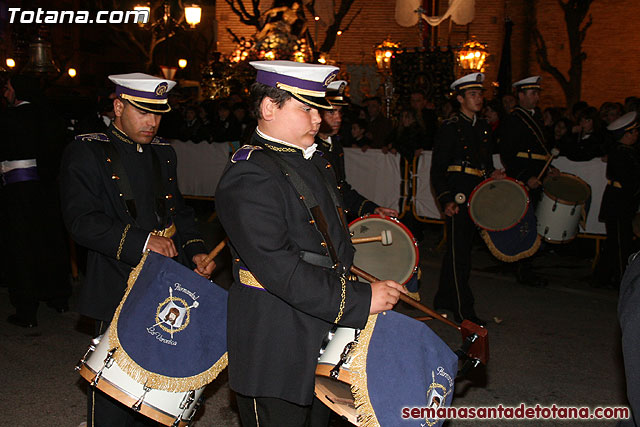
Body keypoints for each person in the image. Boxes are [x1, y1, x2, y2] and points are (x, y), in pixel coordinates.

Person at [215, 60, 405, 427]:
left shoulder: (314, 159)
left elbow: (332, 244)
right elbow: (280, 268)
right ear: (269, 108)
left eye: (318, 107)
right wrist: (362, 300)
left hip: (321, 326)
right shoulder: (249, 173)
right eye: (306, 108)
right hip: (275, 340)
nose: (318, 118)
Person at [60, 72, 215, 426]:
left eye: (158, 114)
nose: (153, 122)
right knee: (115, 389)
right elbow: (81, 222)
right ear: (118, 106)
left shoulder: (164, 152)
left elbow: (178, 212)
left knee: (159, 385)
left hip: (166, 284)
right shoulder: (87, 150)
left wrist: (196, 250)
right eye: (144, 113)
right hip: (117, 279)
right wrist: (143, 241)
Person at [430, 72, 504, 326]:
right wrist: (446, 199)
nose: (478, 98)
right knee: (459, 254)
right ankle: (464, 310)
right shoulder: (450, 128)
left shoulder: (483, 128)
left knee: (460, 251)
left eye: (480, 94)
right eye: (472, 94)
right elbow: (438, 169)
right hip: (458, 193)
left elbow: (486, 163)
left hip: (477, 193)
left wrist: (493, 174)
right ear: (460, 98)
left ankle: (443, 299)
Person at [1, 74, 71, 328]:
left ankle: (26, 310)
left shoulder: (10, 118)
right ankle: (58, 297)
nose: (5, 93)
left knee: (21, 248)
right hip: (46, 191)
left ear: (18, 90)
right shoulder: (49, 117)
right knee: (50, 242)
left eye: (8, 88)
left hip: (19, 192)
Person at [499, 76, 557, 287]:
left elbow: (542, 150)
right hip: (525, 175)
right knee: (523, 223)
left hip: (537, 174)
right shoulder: (514, 119)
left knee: (534, 222)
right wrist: (525, 177)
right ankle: (522, 266)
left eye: (537, 93)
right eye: (532, 93)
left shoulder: (537, 118)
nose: (536, 97)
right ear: (521, 95)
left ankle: (528, 264)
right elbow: (509, 154)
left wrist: (548, 169)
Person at [316, 80, 398, 221]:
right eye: (331, 112)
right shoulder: (308, 147)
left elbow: (340, 188)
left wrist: (372, 209)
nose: (338, 119)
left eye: (340, 112)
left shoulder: (335, 145)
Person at [594, 112, 640, 289]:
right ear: (625, 134)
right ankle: (622, 279)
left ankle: (602, 275)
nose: (636, 134)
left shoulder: (625, 151)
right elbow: (631, 180)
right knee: (622, 242)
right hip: (619, 201)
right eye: (634, 132)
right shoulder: (622, 153)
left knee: (615, 240)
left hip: (621, 200)